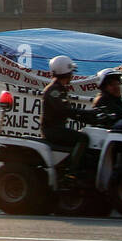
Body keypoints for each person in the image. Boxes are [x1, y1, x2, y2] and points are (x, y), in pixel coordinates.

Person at [40, 55, 90, 184]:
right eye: (71, 72)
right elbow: (64, 110)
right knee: (83, 138)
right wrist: (85, 114)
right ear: (66, 73)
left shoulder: (59, 89)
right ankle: (71, 173)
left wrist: (89, 116)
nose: (72, 75)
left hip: (57, 128)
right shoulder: (53, 91)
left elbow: (67, 110)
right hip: (52, 130)